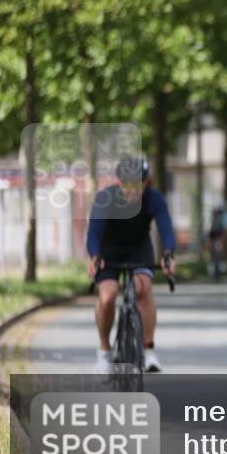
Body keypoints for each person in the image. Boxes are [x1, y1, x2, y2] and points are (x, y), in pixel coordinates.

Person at [87, 157, 176, 373]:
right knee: (107, 295)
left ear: (147, 182)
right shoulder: (105, 198)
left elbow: (165, 228)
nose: (133, 189)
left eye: (138, 184)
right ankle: (104, 352)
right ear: (119, 182)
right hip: (109, 250)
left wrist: (168, 254)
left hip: (138, 247)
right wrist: (95, 255)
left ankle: (148, 350)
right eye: (127, 184)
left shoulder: (154, 199)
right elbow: (94, 232)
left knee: (143, 287)